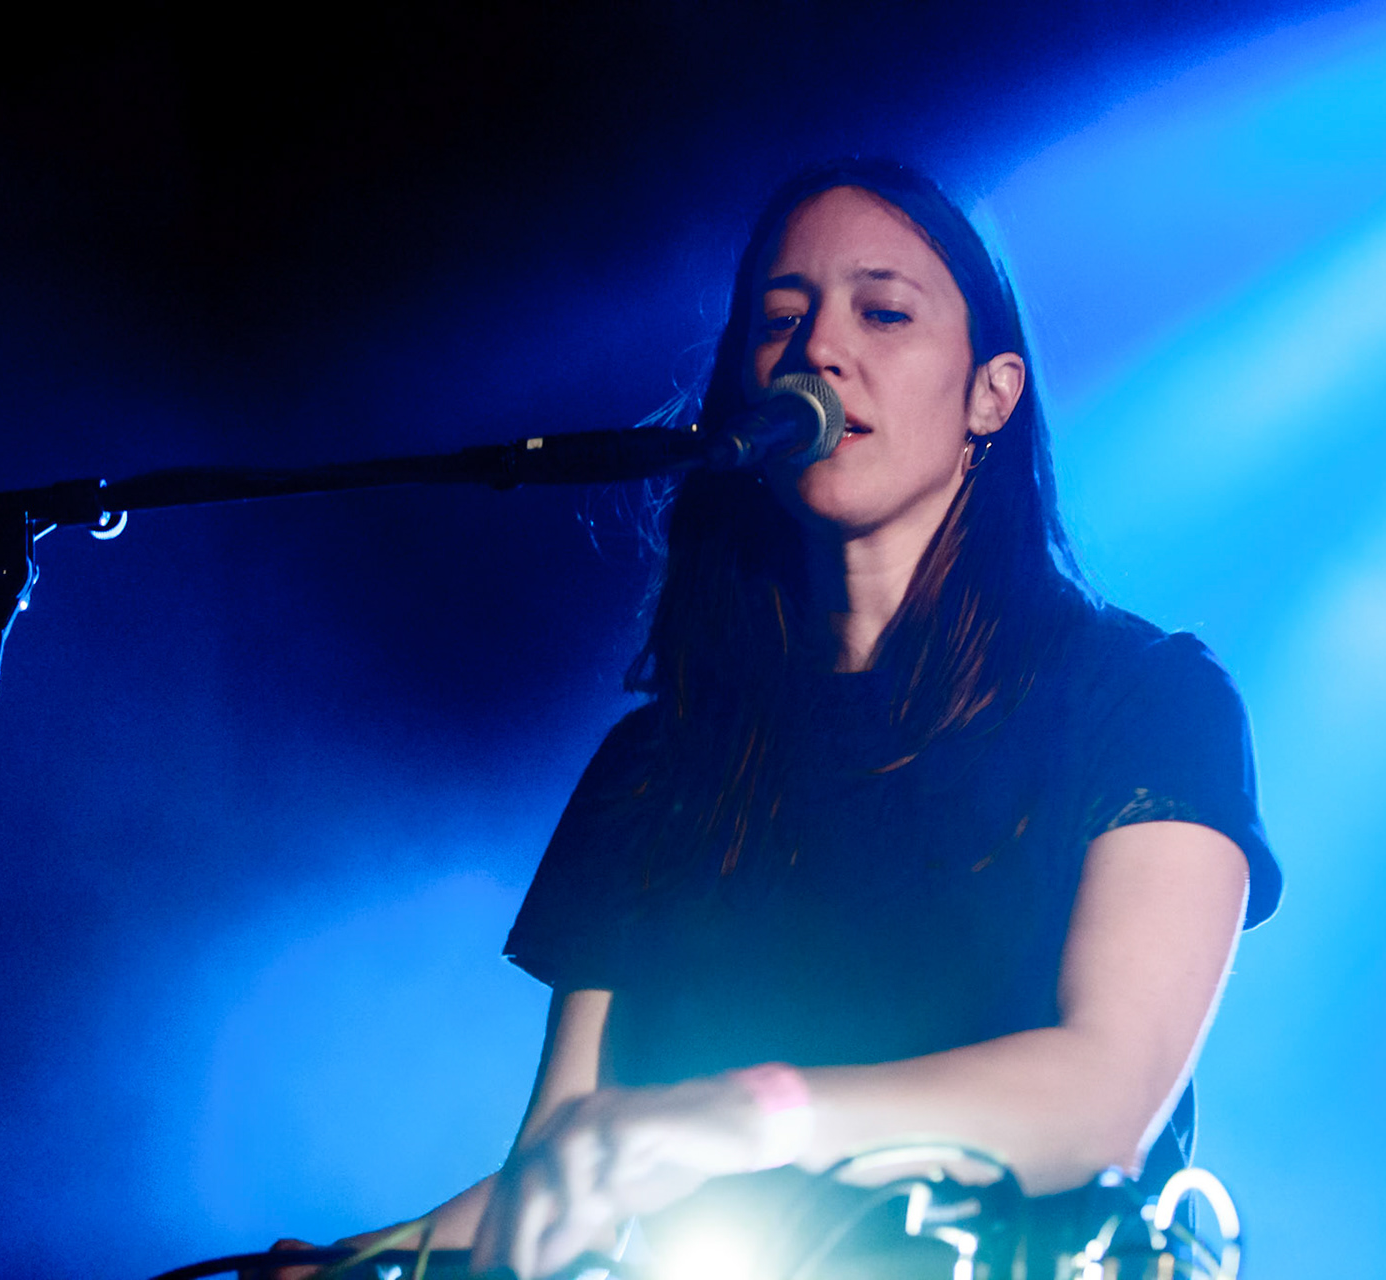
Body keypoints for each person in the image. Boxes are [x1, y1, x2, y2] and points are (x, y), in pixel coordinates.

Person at [259, 158, 1280, 1280]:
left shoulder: (1146, 699)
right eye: (781, 320)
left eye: (883, 312)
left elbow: (1103, 1097)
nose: (819, 352)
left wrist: (743, 1114)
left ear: (993, 392)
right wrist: (369, 1259)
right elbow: (568, 1157)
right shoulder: (656, 763)